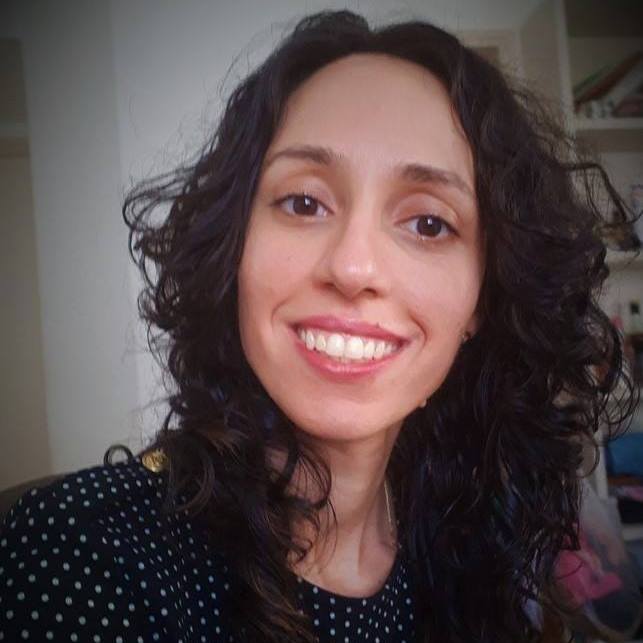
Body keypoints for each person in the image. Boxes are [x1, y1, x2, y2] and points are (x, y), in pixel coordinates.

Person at [0, 9, 638, 643]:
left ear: (480, 300)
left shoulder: (471, 537)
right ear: (235, 246)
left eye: (428, 223)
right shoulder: (78, 555)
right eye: (303, 202)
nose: (353, 267)